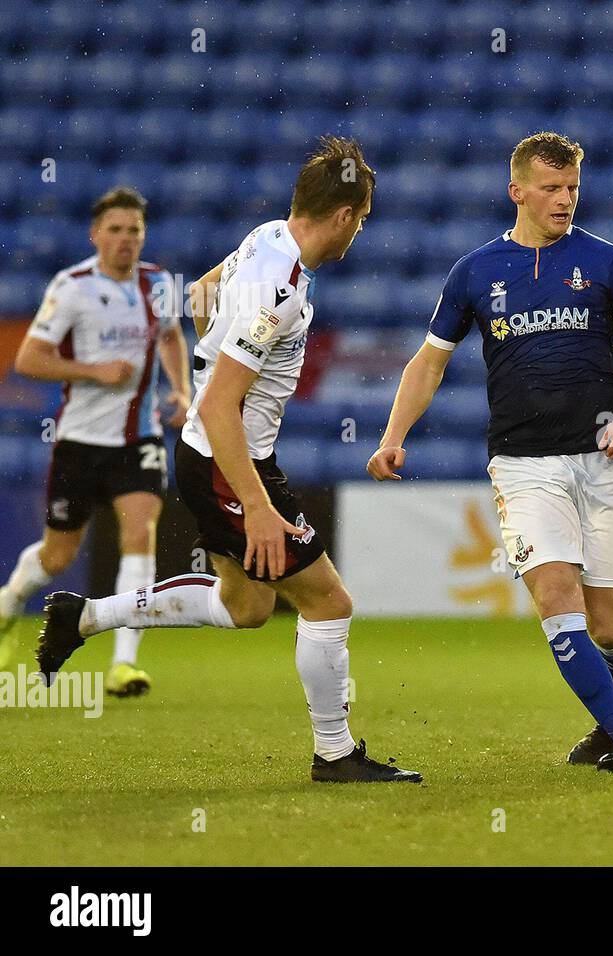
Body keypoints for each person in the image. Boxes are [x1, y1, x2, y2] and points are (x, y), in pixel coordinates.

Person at [36, 136, 421, 784]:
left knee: (246, 608)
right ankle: (334, 753)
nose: (359, 231)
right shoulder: (282, 287)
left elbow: (199, 297)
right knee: (329, 602)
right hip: (226, 458)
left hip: (209, 455)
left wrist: (225, 343)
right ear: (345, 215)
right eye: (362, 218)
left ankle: (86, 615)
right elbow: (218, 407)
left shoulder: (268, 235)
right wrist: (263, 511)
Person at [368, 132, 613, 771]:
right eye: (551, 188)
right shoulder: (476, 271)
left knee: (612, 628)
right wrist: (392, 438)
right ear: (518, 192)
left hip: (605, 463)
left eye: (572, 188)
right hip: (524, 465)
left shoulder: (607, 261)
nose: (565, 200)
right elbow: (428, 364)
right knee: (555, 597)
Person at [0, 187, 189, 696]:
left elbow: (171, 336)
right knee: (57, 555)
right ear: (95, 235)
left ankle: (124, 664)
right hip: (80, 442)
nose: (126, 239)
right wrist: (93, 370)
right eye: (116, 230)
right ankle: (8, 602)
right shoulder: (72, 286)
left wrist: (182, 388)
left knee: (139, 534)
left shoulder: (158, 284)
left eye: (135, 231)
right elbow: (29, 361)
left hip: (139, 438)